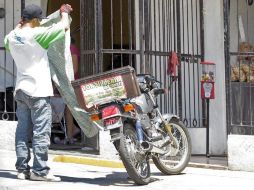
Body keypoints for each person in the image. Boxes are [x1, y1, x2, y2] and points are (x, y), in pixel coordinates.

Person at [4, 4, 73, 181]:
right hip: (39, 91)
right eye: (39, 21)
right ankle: (39, 171)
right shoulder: (38, 35)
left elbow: (10, 41)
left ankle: (22, 169)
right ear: (34, 20)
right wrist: (64, 13)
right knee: (41, 132)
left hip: (21, 90)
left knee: (22, 131)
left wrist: (20, 26)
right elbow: (64, 26)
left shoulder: (11, 36)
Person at [64, 37, 80, 144]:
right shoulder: (66, 49)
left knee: (69, 110)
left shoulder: (72, 48)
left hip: (71, 83)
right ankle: (72, 132)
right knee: (67, 109)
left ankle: (70, 134)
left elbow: (74, 69)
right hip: (67, 82)